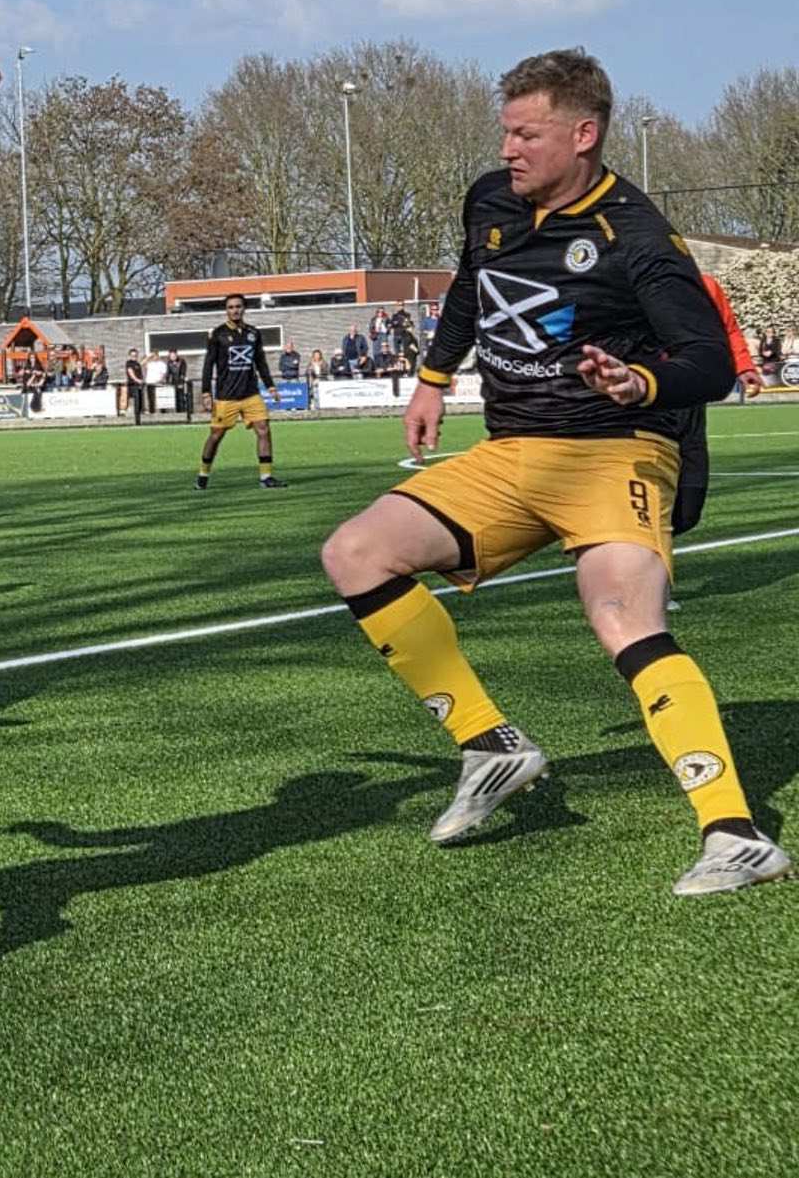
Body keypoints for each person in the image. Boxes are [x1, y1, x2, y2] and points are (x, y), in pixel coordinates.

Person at [319, 47, 788, 895]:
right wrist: (432, 378)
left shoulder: (637, 238)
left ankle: (735, 833)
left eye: (526, 134)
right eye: (505, 132)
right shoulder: (491, 201)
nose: (509, 149)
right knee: (355, 552)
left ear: (584, 134)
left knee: (620, 614)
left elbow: (710, 362)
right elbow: (471, 288)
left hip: (618, 448)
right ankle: (489, 744)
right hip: (511, 452)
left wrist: (638, 380)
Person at [670, 273, 763, 540]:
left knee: (686, 514)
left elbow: (728, 327)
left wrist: (743, 366)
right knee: (647, 513)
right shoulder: (626, 278)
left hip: (692, 403)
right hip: (646, 407)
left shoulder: (704, 283)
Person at [195, 292, 284, 489]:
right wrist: (206, 392)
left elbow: (260, 361)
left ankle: (266, 477)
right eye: (230, 307)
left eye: (238, 306)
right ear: (226, 311)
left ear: (244, 309)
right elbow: (208, 364)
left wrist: (270, 385)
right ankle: (203, 475)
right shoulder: (218, 334)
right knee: (216, 436)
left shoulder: (253, 333)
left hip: (251, 393)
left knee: (263, 429)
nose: (234, 310)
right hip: (226, 397)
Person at [124, 348, 145, 424]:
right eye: (133, 355)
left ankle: (140, 419)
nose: (134, 357)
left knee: (140, 403)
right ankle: (136, 421)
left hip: (139, 385)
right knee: (136, 403)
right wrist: (137, 380)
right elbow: (131, 373)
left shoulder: (137, 364)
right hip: (133, 385)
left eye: (135, 355)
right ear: (130, 356)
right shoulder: (129, 363)